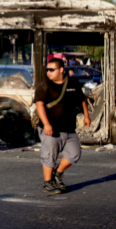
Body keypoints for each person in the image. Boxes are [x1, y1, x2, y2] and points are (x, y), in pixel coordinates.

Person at [35, 58, 91, 195]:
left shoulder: (72, 82)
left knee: (74, 154)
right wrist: (47, 124)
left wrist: (87, 116)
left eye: (51, 70)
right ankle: (47, 183)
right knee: (49, 155)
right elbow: (39, 105)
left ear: (61, 70)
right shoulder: (45, 85)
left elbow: (82, 99)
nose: (49, 72)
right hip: (51, 129)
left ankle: (57, 174)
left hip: (69, 128)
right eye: (47, 70)